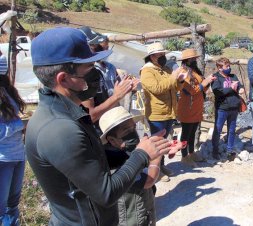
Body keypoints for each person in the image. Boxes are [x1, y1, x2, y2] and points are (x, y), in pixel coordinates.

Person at [25, 27, 173, 225]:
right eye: (89, 68)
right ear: (64, 79)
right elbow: (106, 193)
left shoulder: (66, 112)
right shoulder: (59, 129)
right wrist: (142, 155)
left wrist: (144, 150)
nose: (97, 74)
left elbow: (92, 159)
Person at [99, 107, 183, 226]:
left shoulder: (127, 149)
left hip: (145, 209)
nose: (133, 133)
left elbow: (144, 156)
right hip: (132, 219)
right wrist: (157, 157)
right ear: (112, 140)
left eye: (133, 128)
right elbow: (148, 180)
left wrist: (165, 146)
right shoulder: (113, 164)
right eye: (127, 131)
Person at [140, 42, 187, 181]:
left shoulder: (165, 69)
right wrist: (173, 77)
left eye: (163, 54)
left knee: (164, 141)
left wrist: (179, 81)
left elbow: (174, 88)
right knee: (156, 143)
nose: (163, 56)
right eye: (160, 55)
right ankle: (155, 170)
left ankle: (161, 165)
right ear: (152, 56)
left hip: (169, 111)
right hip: (157, 113)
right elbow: (157, 89)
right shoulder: (146, 71)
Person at [78, 26, 137, 128]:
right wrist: (116, 96)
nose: (104, 51)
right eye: (94, 46)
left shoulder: (109, 68)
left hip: (110, 120)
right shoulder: (84, 75)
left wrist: (126, 89)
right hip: (97, 126)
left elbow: (115, 91)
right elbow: (90, 116)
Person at [177, 49, 215, 167]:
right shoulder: (183, 72)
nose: (195, 60)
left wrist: (208, 81)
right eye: (193, 58)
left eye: (195, 58)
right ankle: (184, 156)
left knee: (193, 132)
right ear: (187, 60)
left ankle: (192, 153)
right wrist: (204, 83)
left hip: (196, 107)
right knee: (186, 133)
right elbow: (189, 91)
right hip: (187, 107)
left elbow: (201, 87)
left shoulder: (194, 71)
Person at [0, 54, 25, 226]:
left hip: (18, 155)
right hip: (3, 159)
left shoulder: (7, 92)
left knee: (13, 204)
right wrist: (19, 124)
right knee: (1, 208)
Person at [211, 57, 243, 161]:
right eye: (226, 66)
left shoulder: (233, 76)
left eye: (229, 66)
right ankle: (214, 151)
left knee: (232, 130)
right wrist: (231, 88)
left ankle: (230, 151)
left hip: (234, 108)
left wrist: (241, 88)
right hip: (222, 108)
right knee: (218, 130)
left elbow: (239, 85)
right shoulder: (216, 78)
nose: (229, 68)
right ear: (220, 68)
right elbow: (218, 92)